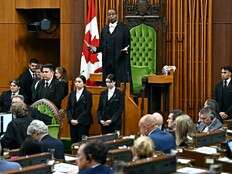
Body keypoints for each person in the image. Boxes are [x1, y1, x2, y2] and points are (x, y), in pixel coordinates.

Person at [88, 9, 131, 83]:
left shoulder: (124, 28)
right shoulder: (104, 30)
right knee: (107, 83)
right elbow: (102, 46)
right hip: (107, 62)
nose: (111, 16)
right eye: (109, 15)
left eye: (113, 14)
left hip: (119, 61)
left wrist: (125, 50)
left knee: (118, 84)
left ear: (116, 15)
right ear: (107, 17)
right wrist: (95, 49)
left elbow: (128, 44)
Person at [67, 75, 93, 143]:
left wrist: (78, 120)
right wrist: (71, 119)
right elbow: (68, 108)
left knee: (82, 141)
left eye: (79, 82)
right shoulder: (72, 94)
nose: (77, 83)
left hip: (83, 122)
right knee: (73, 141)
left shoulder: (88, 94)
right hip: (73, 122)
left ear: (84, 83)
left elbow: (87, 109)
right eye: (76, 82)